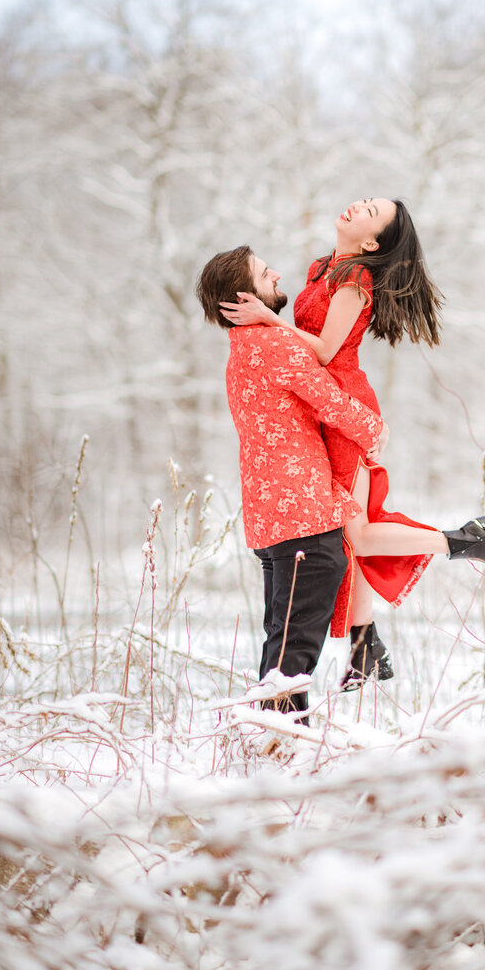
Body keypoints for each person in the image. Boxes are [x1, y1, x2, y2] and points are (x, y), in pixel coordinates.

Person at [216, 208, 485, 687]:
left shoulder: (355, 277)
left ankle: (464, 542)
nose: (358, 206)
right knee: (347, 534)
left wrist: (269, 319)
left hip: (342, 400)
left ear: (372, 244)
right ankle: (364, 646)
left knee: (359, 533)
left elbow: (328, 351)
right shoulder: (320, 268)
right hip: (317, 398)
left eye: (371, 212)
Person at [196, 245, 384, 721]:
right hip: (304, 518)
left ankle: (274, 742)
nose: (276, 274)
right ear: (244, 297)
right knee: (293, 654)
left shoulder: (241, 349)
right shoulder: (273, 345)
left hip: (271, 522)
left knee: (282, 645)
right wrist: (375, 431)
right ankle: (282, 747)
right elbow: (331, 403)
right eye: (264, 273)